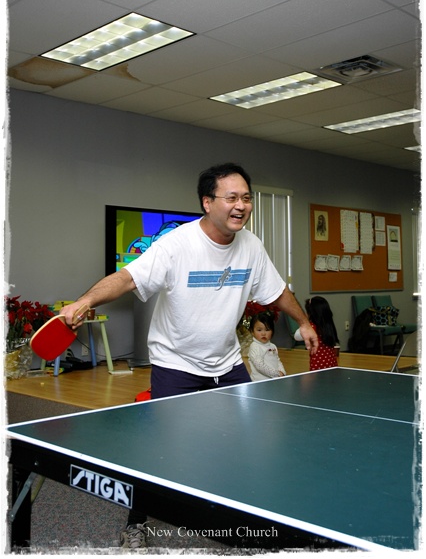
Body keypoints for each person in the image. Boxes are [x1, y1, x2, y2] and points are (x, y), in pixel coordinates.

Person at [60, 162, 318, 548]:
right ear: (207, 202)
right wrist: (85, 301)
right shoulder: (177, 244)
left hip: (227, 363)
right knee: (162, 450)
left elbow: (276, 290)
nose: (241, 205)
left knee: (245, 439)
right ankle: (136, 523)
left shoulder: (251, 245)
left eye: (246, 198)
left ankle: (240, 514)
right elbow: (128, 278)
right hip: (176, 365)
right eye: (231, 197)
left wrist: (305, 322)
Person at [294, 296, 339, 371]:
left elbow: (296, 336)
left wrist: (305, 322)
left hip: (317, 368)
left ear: (310, 314)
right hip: (332, 366)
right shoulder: (329, 326)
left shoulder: (311, 328)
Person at [248, 310, 286, 380]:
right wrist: (277, 374)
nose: (263, 333)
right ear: (252, 331)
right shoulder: (255, 346)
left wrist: (282, 372)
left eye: (267, 330)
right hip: (260, 382)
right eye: (259, 330)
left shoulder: (273, 346)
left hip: (274, 379)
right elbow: (259, 366)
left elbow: (277, 361)